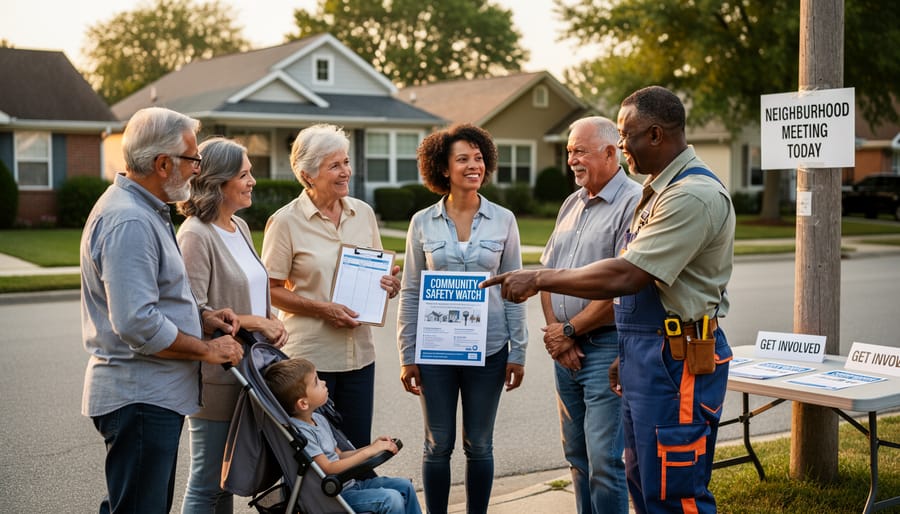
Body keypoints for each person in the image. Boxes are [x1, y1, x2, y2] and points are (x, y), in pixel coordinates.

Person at [481, 86, 735, 514]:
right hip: (648, 352)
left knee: (676, 491)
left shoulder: (691, 195)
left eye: (626, 135)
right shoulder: (660, 190)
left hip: (678, 360)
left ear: (654, 135)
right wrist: (630, 349)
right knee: (642, 480)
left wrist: (539, 277)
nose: (622, 145)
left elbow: (628, 273)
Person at [80, 107, 244, 514]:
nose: (197, 169)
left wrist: (202, 318)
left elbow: (153, 301)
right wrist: (209, 350)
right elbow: (137, 323)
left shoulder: (144, 209)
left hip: (151, 397)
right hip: (140, 398)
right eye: (193, 159)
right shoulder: (129, 220)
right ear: (163, 163)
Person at [397, 123, 527, 514]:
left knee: (479, 444)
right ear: (443, 168)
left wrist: (518, 352)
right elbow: (411, 290)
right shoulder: (422, 222)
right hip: (435, 352)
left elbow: (516, 290)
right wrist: (407, 355)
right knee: (438, 444)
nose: (475, 166)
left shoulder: (504, 220)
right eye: (463, 159)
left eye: (479, 158)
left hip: (489, 350)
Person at [261, 123, 400, 449]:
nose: (345, 172)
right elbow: (270, 289)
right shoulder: (285, 221)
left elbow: (380, 272)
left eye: (347, 162)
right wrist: (323, 309)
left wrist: (388, 284)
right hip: (310, 362)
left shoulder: (363, 214)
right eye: (334, 165)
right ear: (308, 174)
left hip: (359, 357)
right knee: (315, 459)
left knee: (356, 451)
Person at [176, 137, 289, 513]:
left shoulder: (238, 226)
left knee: (226, 483)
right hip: (219, 377)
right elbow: (192, 311)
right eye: (244, 174)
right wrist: (258, 321)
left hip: (252, 373)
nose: (252, 180)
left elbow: (251, 287)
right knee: (208, 483)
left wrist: (269, 319)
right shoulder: (195, 234)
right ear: (218, 181)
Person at [540, 116, 641, 514]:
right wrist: (556, 333)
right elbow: (547, 274)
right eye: (569, 152)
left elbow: (623, 285)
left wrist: (569, 330)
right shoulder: (572, 202)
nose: (571, 160)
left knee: (605, 461)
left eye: (579, 151)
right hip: (565, 350)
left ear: (611, 152)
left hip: (604, 350)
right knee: (577, 457)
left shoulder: (633, 203)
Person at [264, 358, 422, 514]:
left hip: (350, 485)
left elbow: (339, 455)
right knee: (391, 499)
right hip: (335, 496)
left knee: (404, 486)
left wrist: (372, 447)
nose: (324, 382)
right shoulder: (302, 433)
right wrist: (368, 452)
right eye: (316, 382)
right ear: (303, 403)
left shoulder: (318, 419)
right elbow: (328, 468)